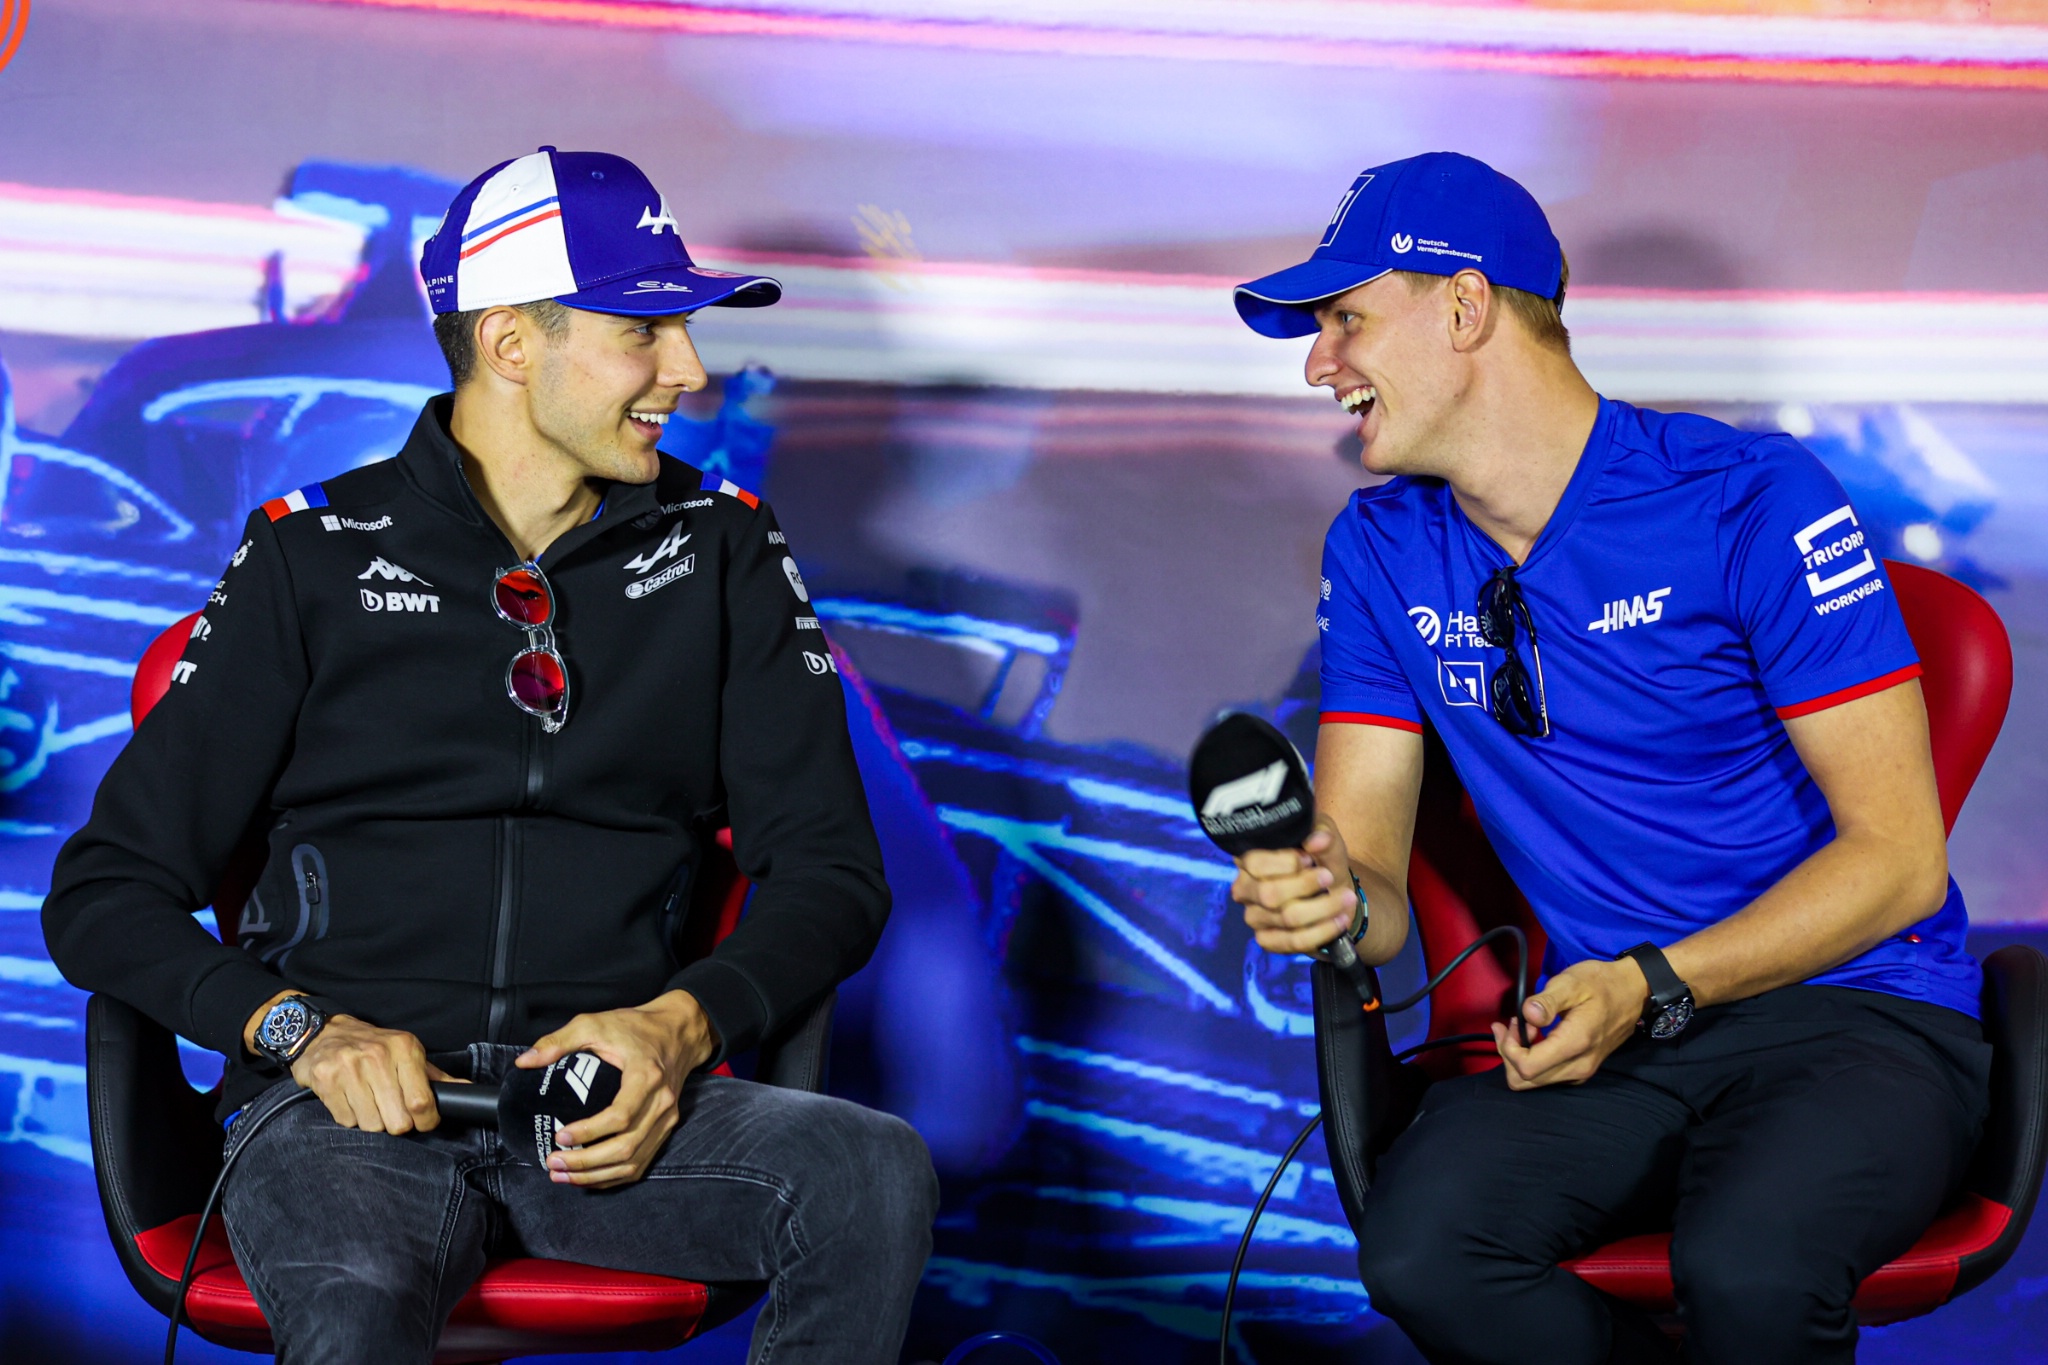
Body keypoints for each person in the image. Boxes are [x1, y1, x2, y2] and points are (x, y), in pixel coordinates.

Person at [44, 147, 937, 1365]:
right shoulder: (311, 557)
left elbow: (833, 873)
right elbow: (103, 896)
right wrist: (302, 1032)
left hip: (604, 1114)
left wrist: (675, 1029)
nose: (688, 370)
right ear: (513, 344)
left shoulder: (725, 552)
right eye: (645, 332)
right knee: (356, 1300)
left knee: (868, 1171)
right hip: (334, 1116)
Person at [1228, 152, 1989, 1365]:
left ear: (1464, 307)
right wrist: (1320, 903)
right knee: (1423, 1250)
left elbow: (1896, 867)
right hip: (1621, 1033)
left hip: (1857, 1012)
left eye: (1345, 319)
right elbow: (1368, 882)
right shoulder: (1376, 548)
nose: (1319, 363)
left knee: (1750, 1265)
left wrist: (1649, 979)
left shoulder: (1749, 499)